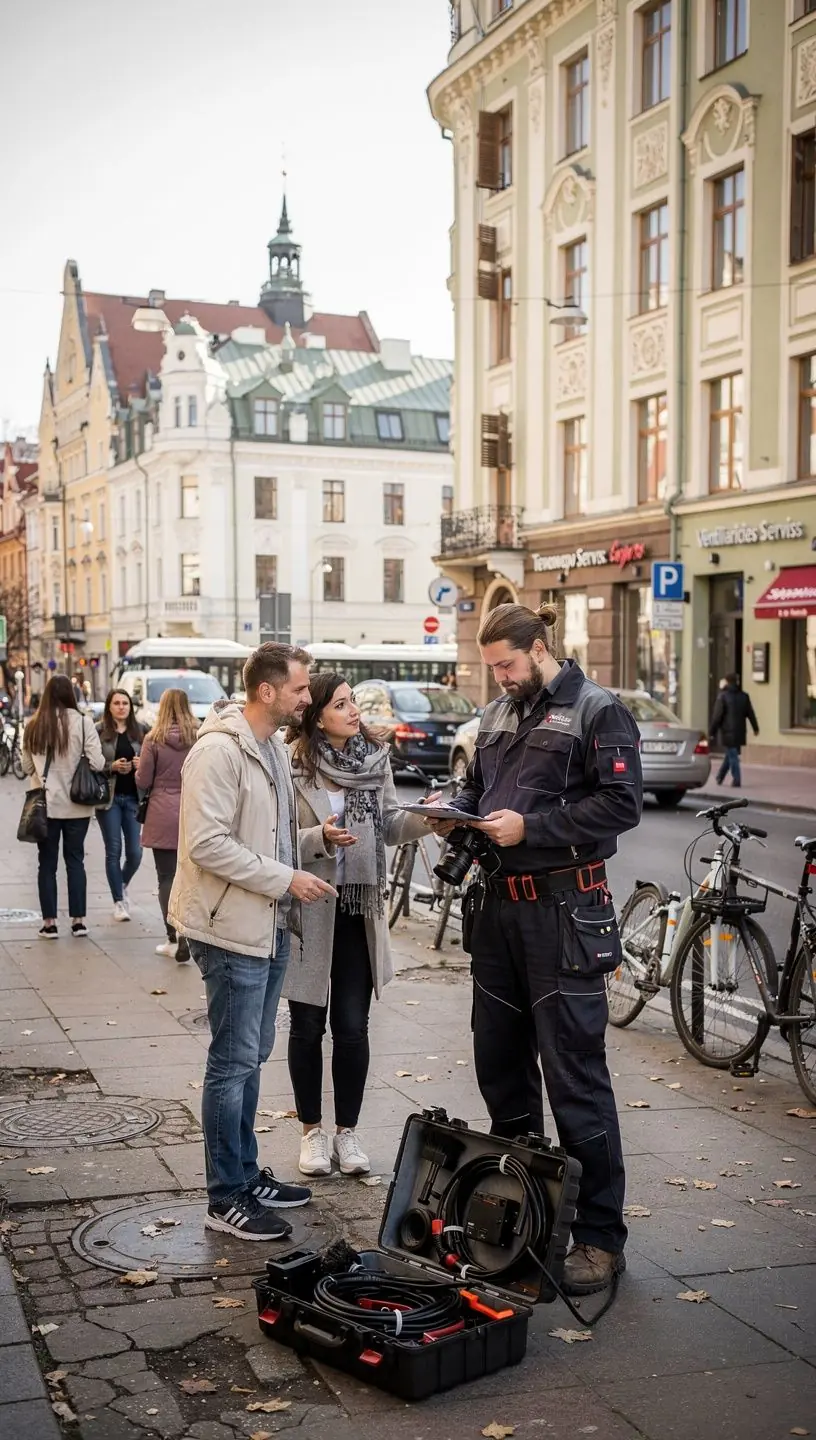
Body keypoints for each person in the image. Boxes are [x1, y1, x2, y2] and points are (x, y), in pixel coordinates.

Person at [429, 601, 643, 1297]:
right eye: (491, 668)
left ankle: (601, 1239)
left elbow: (620, 805)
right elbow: (476, 787)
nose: (500, 680)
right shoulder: (495, 714)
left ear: (540, 648)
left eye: (508, 666)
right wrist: (453, 814)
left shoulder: (596, 709)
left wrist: (534, 828)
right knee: (502, 1072)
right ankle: (526, 1214)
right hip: (495, 914)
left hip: (562, 914)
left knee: (575, 1079)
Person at [168, 642, 336, 1242]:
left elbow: (266, 834)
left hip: (266, 923)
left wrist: (313, 841)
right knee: (232, 1062)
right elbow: (206, 844)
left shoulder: (268, 746)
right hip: (231, 927)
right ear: (267, 691)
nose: (307, 696)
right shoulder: (219, 751)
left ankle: (244, 1172)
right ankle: (226, 1195)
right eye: (299, 687)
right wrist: (286, 878)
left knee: (251, 1055)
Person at [285, 672, 432, 1178]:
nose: (354, 711)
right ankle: (311, 1132)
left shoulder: (374, 758)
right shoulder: (293, 763)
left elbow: (391, 824)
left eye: (354, 702)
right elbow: (276, 836)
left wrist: (430, 819)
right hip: (308, 907)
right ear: (316, 714)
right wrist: (319, 837)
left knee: (352, 1028)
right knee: (307, 1026)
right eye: (342, 704)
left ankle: (347, 1133)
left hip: (357, 910)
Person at [21, 674, 106, 939]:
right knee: (75, 861)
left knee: (46, 864)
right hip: (77, 805)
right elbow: (98, 763)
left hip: (45, 806)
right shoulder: (83, 723)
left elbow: (25, 767)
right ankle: (78, 921)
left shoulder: (33, 725)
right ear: (71, 694)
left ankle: (49, 923)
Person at [135, 688, 198, 963]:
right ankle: (191, 934)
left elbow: (143, 780)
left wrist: (140, 768)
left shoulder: (153, 739)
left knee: (166, 877)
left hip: (161, 811)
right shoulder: (198, 737)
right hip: (193, 811)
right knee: (191, 875)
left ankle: (173, 936)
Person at [96, 690, 145, 921]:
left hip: (134, 798)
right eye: (116, 703)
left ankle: (121, 882)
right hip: (110, 799)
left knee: (135, 853)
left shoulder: (141, 730)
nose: (121, 707)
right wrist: (111, 766)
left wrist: (140, 763)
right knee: (113, 850)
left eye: (125, 703)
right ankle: (118, 901)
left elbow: (152, 760)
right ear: (109, 706)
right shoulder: (99, 731)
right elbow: (91, 763)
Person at [710, 672, 759, 788]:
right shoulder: (744, 696)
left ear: (726, 682)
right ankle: (720, 776)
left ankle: (737, 780)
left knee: (732, 756)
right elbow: (750, 713)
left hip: (727, 732)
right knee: (731, 754)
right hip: (740, 731)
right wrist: (755, 728)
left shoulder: (723, 696)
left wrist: (712, 732)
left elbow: (717, 717)